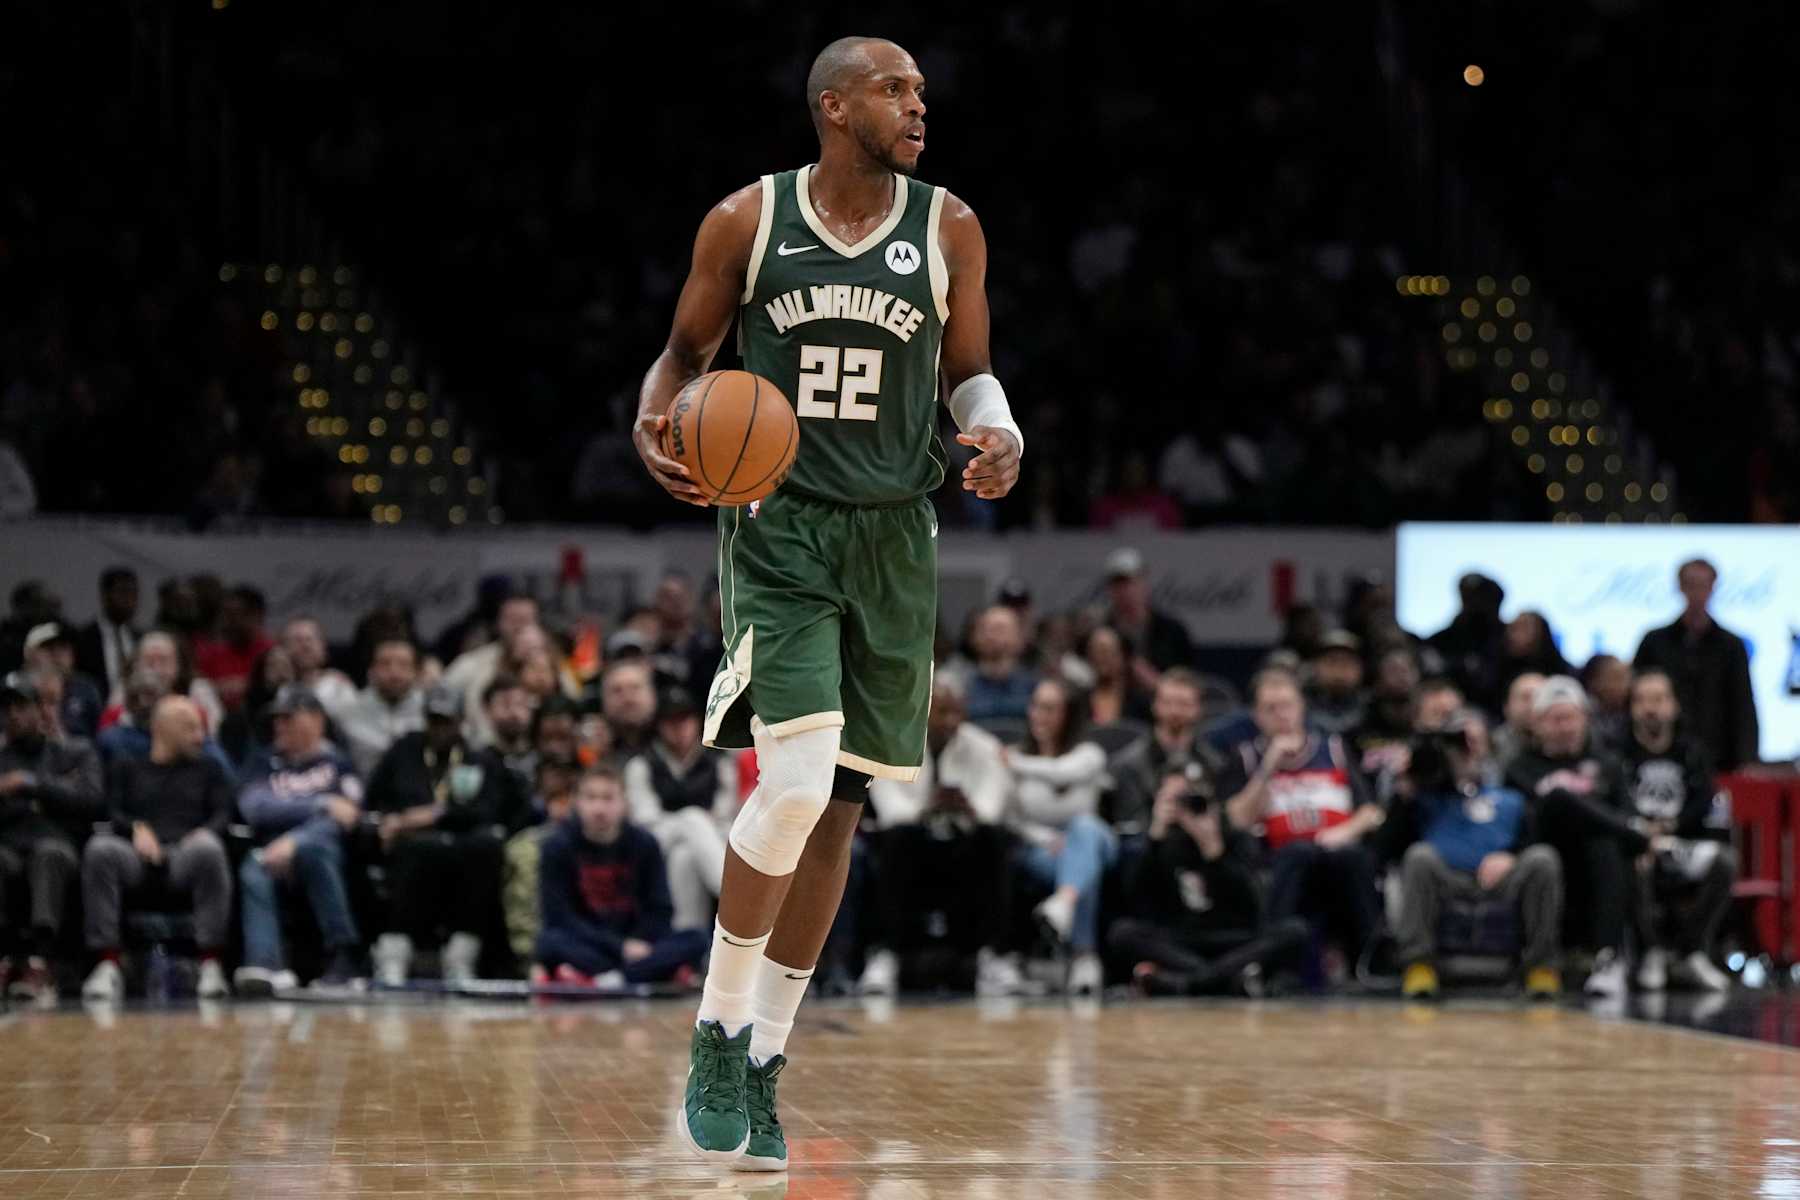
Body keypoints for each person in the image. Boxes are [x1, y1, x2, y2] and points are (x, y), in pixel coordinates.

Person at [635, 35, 1023, 1170]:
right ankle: (714, 1030)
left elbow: (969, 372)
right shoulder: (745, 222)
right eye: (895, 90)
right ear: (833, 105)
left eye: (920, 91)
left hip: (897, 537)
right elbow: (679, 356)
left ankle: (763, 1056)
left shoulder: (947, 224)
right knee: (794, 782)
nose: (917, 106)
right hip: (781, 530)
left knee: (840, 810)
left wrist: (998, 431)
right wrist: (651, 421)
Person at [1387, 709, 1563, 1001]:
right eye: (1458, 743)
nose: (1466, 750)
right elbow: (1386, 849)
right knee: (1420, 856)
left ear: (1488, 747)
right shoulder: (1425, 794)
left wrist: (1511, 856)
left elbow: (1535, 840)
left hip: (1501, 881)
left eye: (1474, 741)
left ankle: (1540, 968)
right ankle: (1419, 965)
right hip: (1446, 878)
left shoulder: (1510, 795)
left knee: (1542, 859)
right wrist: (1405, 791)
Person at [860, 674, 1017, 996]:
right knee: (896, 841)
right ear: (922, 708)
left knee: (994, 839)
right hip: (913, 846)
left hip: (962, 843)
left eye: (956, 712)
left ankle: (993, 956)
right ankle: (886, 954)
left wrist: (969, 809)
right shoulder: (892, 741)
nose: (950, 721)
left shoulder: (984, 747)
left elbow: (992, 807)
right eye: (942, 711)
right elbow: (890, 810)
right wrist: (928, 807)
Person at [1221, 670, 1382, 978]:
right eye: (1271, 708)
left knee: (1355, 857)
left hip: (1335, 852)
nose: (1281, 714)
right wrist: (1269, 767)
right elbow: (1236, 820)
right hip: (1279, 860)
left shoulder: (1333, 749)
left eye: (1287, 705)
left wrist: (1344, 832)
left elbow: (1371, 812)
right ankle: (1273, 963)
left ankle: (1370, 959)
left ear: (1302, 708)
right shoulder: (1246, 758)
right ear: (1256, 715)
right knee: (1298, 853)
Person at [367, 685, 529, 987]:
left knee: (487, 846)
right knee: (420, 849)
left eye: (447, 721)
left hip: (460, 845)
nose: (440, 729)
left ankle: (461, 956)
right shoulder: (404, 751)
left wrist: (434, 815)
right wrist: (397, 821)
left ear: (461, 722)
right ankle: (393, 955)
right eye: (434, 720)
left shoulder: (477, 758)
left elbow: (489, 810)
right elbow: (375, 799)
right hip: (409, 846)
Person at [80, 696, 234, 1003]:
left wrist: (203, 833)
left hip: (186, 856)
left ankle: (210, 964)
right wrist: (135, 829)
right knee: (100, 849)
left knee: (209, 848)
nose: (199, 736)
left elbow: (223, 814)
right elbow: (112, 811)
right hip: (136, 858)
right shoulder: (128, 765)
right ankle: (107, 964)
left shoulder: (209, 768)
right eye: (190, 728)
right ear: (163, 729)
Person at [1108, 761, 1309, 996]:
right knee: (1122, 932)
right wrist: (1155, 836)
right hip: (1180, 941)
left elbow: (1254, 906)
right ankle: (1224, 979)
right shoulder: (1157, 842)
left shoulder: (1234, 836)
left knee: (1295, 931)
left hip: (1234, 940)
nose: (1186, 809)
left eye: (1194, 800)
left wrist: (1214, 851)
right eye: (1176, 801)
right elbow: (1136, 902)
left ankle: (1188, 983)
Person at [1506, 676, 1647, 1000]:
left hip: (1599, 860)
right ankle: (1642, 839)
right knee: (1558, 800)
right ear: (1538, 724)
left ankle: (1607, 959)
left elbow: (1626, 809)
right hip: (1544, 855)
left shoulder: (1608, 764)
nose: (1564, 726)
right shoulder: (1520, 767)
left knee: (1605, 844)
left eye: (1570, 717)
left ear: (1585, 719)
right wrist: (1634, 833)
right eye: (1555, 719)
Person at [234, 684, 366, 994]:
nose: (279, 725)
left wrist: (296, 841)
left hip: (324, 850)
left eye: (288, 718)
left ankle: (344, 959)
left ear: (317, 720)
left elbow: (347, 817)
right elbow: (255, 807)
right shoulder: (263, 762)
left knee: (315, 851)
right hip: (271, 850)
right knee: (254, 867)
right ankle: (266, 965)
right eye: (277, 719)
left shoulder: (339, 764)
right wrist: (320, 804)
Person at [534, 764, 709, 987]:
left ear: (624, 803)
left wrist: (637, 944)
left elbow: (660, 909)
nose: (599, 808)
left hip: (638, 943)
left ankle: (607, 979)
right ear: (577, 802)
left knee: (697, 938)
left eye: (608, 798)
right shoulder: (557, 846)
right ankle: (648, 974)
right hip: (589, 943)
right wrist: (620, 947)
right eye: (591, 798)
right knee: (548, 943)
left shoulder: (645, 843)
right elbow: (559, 917)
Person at [1620, 670, 1733, 992]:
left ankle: (1690, 951)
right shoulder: (1620, 752)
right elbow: (1616, 800)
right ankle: (1651, 951)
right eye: (1641, 700)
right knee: (1630, 864)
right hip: (1636, 841)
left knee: (1723, 861)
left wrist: (1672, 826)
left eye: (1658, 699)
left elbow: (1704, 802)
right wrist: (1642, 834)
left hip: (1680, 840)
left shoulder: (1692, 752)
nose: (1650, 708)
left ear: (1673, 705)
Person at [0, 671, 104, 1001]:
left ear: (41, 709)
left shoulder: (74, 751)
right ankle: (6, 959)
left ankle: (40, 961)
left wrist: (31, 785)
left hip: (59, 847)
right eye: (6, 709)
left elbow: (91, 800)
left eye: (21, 707)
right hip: (10, 845)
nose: (12, 716)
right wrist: (54, 793)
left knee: (47, 855)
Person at [1006, 677, 1112, 995]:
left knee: (1085, 829)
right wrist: (1044, 839)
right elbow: (1009, 816)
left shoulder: (1089, 754)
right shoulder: (1015, 756)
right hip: (1043, 850)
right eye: (1037, 706)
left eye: (1051, 708)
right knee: (1081, 870)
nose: (1041, 715)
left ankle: (1063, 904)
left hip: (1094, 841)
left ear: (1069, 714)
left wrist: (1015, 763)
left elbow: (1065, 772)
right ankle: (1084, 958)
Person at [624, 686, 737, 931]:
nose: (679, 728)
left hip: (714, 837)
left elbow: (726, 812)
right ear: (660, 725)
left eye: (684, 719)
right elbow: (646, 821)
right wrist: (691, 820)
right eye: (671, 721)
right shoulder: (642, 764)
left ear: (696, 721)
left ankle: (689, 941)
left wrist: (700, 824)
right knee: (692, 818)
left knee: (684, 857)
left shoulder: (717, 760)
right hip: (659, 841)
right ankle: (734, 896)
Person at [1633, 558, 1759, 771]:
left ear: (1713, 587)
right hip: (1661, 752)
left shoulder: (1731, 646)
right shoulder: (1655, 642)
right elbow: (1636, 694)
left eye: (1703, 585)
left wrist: (1747, 757)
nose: (1697, 593)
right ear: (1680, 587)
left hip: (1719, 755)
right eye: (1691, 584)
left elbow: (1743, 703)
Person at [1106, 669, 1215, 839]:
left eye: (1184, 704)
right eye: (1168, 702)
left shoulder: (1213, 762)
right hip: (1151, 853)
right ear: (1155, 705)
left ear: (1198, 709)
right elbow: (1130, 837)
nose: (1175, 711)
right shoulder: (1129, 766)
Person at [503, 757, 582, 963]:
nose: (563, 807)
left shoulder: (601, 839)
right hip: (538, 945)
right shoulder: (524, 843)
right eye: (557, 799)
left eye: (565, 772)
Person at [336, 637, 426, 776]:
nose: (394, 673)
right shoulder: (347, 713)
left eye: (404, 665)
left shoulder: (431, 711)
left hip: (419, 793)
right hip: (364, 792)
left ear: (416, 672)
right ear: (371, 671)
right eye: (385, 664)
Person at [1103, 547, 1195, 676]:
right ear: (1110, 589)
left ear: (1144, 583)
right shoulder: (1101, 631)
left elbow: (1189, 681)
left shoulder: (1172, 631)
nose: (1126, 591)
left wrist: (1156, 683)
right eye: (1118, 584)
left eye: (1131, 582)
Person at [192, 586, 274, 715]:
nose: (228, 623)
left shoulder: (273, 653)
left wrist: (250, 687)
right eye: (225, 616)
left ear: (256, 615)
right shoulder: (210, 654)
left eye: (235, 616)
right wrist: (216, 688)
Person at [959, 605, 1038, 732]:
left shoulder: (1035, 689)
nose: (990, 636)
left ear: (1019, 638)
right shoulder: (960, 687)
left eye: (999, 629)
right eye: (985, 629)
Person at [24, 622, 103, 740]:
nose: (58, 654)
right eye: (49, 648)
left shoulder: (87, 688)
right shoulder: (18, 688)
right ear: (29, 655)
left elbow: (99, 734)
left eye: (64, 647)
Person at [74, 566, 140, 696]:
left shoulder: (140, 638)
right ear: (105, 595)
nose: (129, 600)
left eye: (133, 593)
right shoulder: (84, 639)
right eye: (122, 592)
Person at [1080, 624, 1152, 734]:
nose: (1102, 658)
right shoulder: (1079, 704)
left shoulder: (1142, 703)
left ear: (1123, 656)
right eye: (1096, 651)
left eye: (1107, 651)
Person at [281, 617, 356, 717]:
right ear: (285, 648)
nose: (305, 646)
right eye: (297, 640)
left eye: (311, 639)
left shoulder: (339, 686)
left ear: (323, 646)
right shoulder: (282, 690)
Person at [1305, 630, 1366, 736]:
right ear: (1315, 667)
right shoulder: (1300, 707)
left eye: (1346, 663)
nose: (1338, 670)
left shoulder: (1374, 709)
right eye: (1331, 661)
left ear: (1360, 669)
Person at [599, 657, 658, 762]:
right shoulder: (593, 753)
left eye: (635, 688)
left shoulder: (681, 741)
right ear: (604, 700)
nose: (627, 698)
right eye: (617, 691)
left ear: (652, 695)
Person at [1491, 672, 1545, 773]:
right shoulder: (1492, 745)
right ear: (1506, 707)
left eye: (1540, 697)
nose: (1533, 704)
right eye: (1525, 698)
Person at [1582, 654, 1632, 750]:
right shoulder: (1583, 715)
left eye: (1627, 678)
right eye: (1617, 678)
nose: (1626, 685)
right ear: (1593, 682)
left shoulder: (1632, 712)